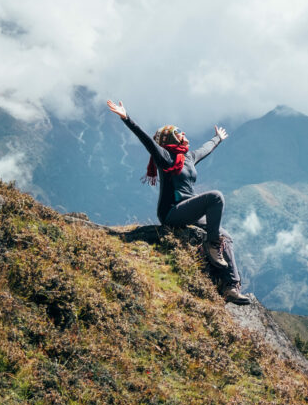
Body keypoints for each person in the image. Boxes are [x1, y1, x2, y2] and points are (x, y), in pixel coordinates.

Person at [106, 99, 251, 304]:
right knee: (216, 197)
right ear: (171, 139)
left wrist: (217, 138)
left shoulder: (189, 158)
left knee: (226, 236)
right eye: (179, 133)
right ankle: (211, 244)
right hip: (172, 212)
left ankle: (232, 287)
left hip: (190, 210)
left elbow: (205, 149)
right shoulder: (165, 156)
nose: (184, 135)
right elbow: (146, 140)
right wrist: (126, 118)